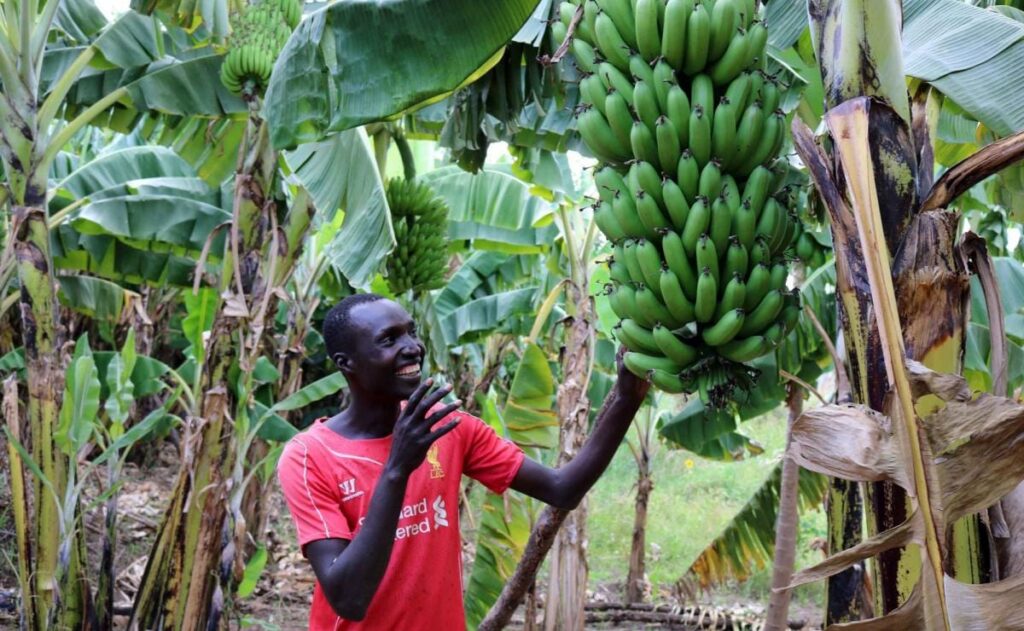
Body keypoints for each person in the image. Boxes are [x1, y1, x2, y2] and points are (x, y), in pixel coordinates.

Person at [277, 293, 649, 630]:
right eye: (389, 340)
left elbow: (561, 488)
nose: (412, 347)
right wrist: (398, 468)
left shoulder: (446, 425)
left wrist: (626, 398)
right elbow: (349, 599)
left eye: (411, 332)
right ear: (347, 363)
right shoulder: (309, 456)